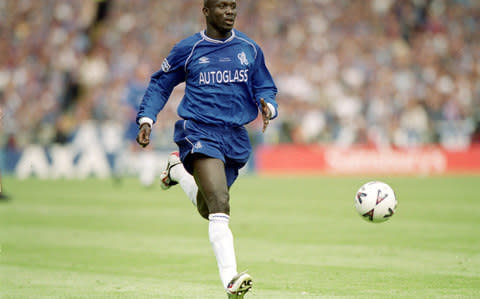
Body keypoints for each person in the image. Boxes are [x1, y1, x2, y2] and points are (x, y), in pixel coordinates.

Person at [135, 0, 278, 298]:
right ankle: (231, 280)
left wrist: (269, 106)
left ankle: (176, 171)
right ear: (206, 12)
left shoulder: (249, 49)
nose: (229, 11)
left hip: (236, 138)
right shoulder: (188, 49)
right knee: (220, 203)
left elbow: (264, 85)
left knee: (207, 206)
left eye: (233, 6)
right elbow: (161, 84)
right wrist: (147, 118)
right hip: (199, 132)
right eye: (222, 6)